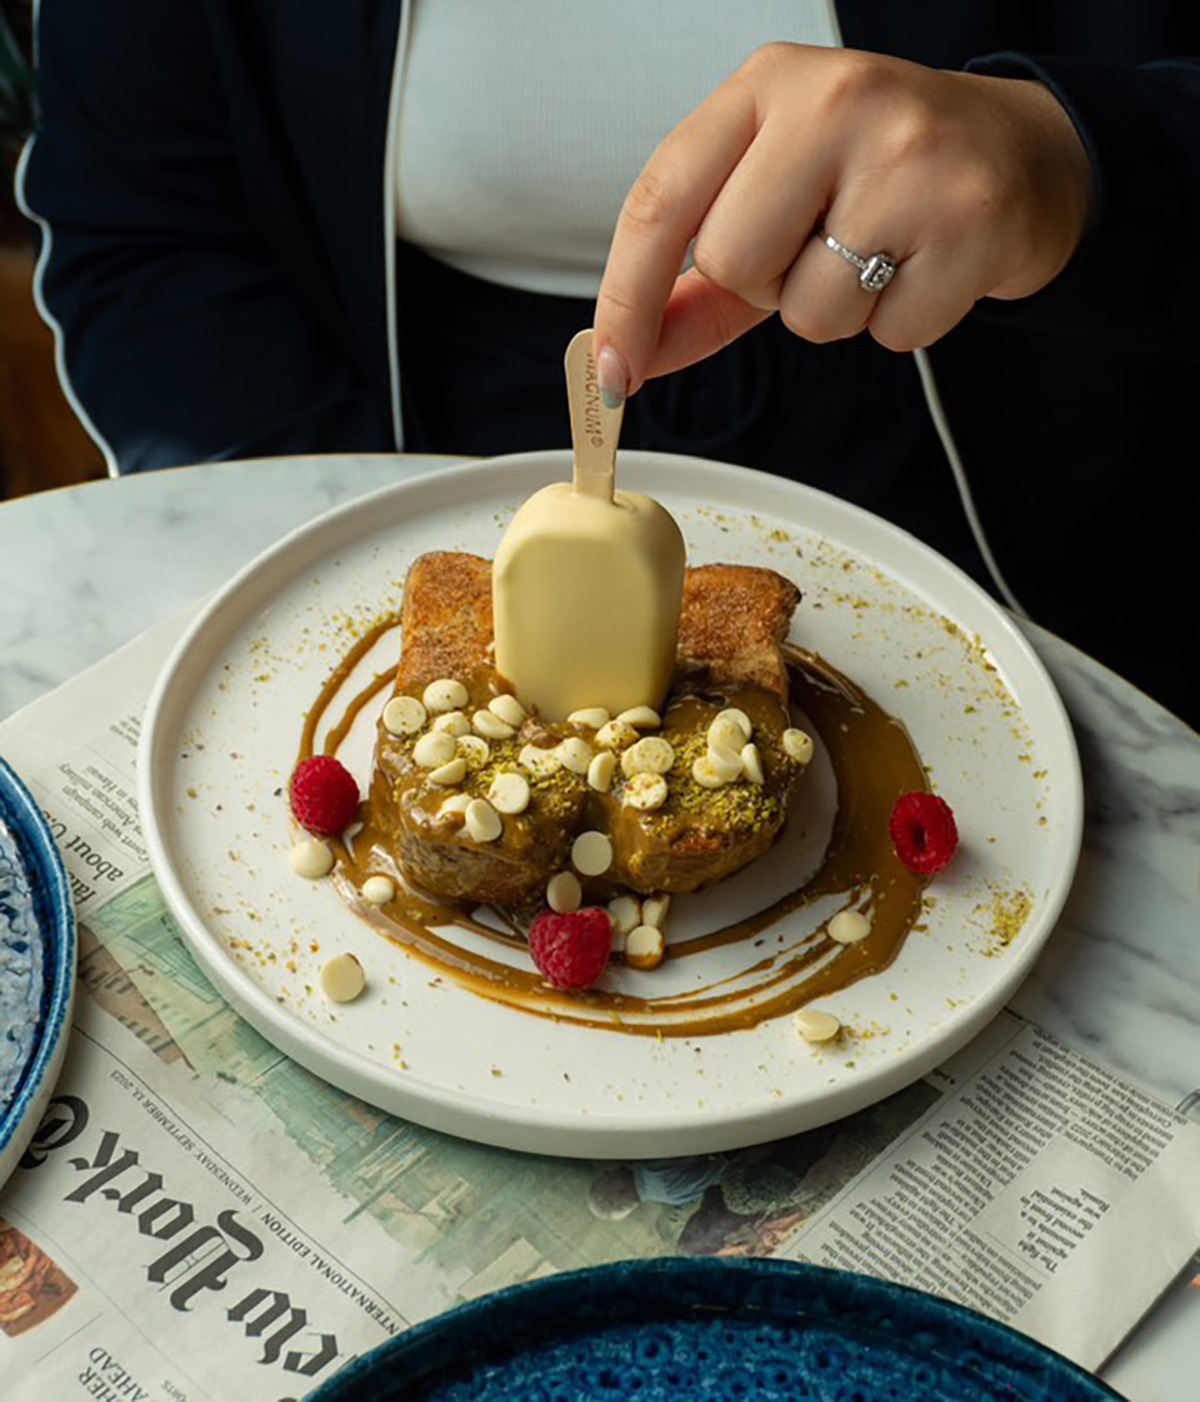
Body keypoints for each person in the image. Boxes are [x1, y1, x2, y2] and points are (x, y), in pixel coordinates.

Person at [16, 4, 1200, 723]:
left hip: (1052, 489)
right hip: (399, 436)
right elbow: (154, 224)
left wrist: (1080, 162)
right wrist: (319, 549)